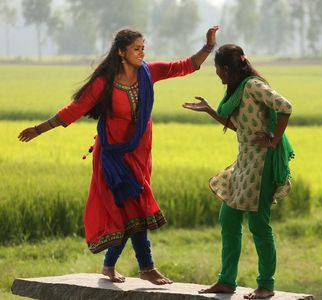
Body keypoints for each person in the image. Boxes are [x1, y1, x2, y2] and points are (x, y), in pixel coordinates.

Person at [18, 26, 219, 285]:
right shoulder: (104, 83)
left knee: (130, 207)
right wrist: (38, 129)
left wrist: (208, 47)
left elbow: (184, 66)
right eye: (137, 49)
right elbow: (75, 109)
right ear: (122, 52)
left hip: (140, 150)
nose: (142, 52)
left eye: (143, 47)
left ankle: (111, 266)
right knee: (131, 204)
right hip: (113, 154)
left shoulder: (149, 72)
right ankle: (145, 267)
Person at [183, 44, 294, 299]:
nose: (217, 74)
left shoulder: (253, 85)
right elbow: (239, 128)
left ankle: (266, 285)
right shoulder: (238, 89)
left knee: (258, 223)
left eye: (217, 69)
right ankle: (226, 281)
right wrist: (211, 110)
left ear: (226, 69)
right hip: (245, 160)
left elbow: (285, 106)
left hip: (264, 161)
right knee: (229, 218)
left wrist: (274, 140)